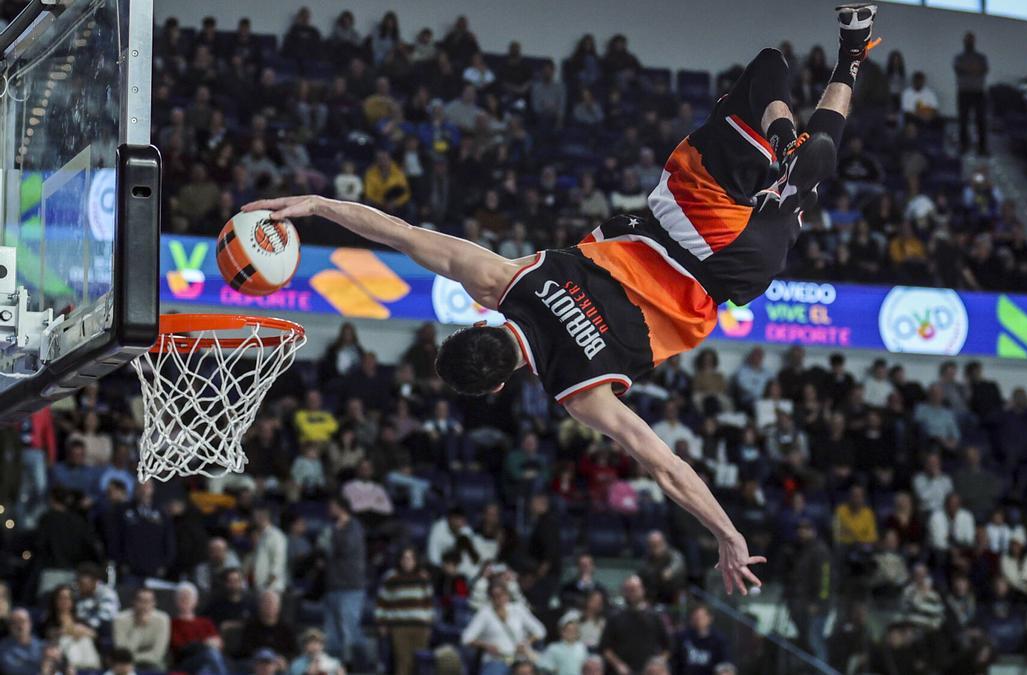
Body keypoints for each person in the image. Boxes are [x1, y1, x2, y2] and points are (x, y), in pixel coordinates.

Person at [245, 7, 883, 595]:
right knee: (768, 67)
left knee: (804, 189)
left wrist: (728, 533)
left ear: (499, 385)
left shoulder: (580, 391)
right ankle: (789, 130)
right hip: (681, 218)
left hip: (730, 270)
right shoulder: (502, 281)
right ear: (475, 325)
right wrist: (317, 205)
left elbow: (665, 467)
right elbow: (404, 235)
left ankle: (836, 86)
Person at [461, 583, 545, 675]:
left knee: (528, 670)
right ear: (490, 598)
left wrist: (526, 643)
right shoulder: (485, 613)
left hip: (520, 659)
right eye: (495, 596)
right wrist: (486, 646)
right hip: (497, 659)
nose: (499, 598)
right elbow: (466, 638)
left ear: (507, 595)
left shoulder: (518, 609)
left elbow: (540, 630)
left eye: (502, 594)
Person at [375, 547, 434, 675]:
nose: (408, 561)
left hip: (420, 626)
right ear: (400, 560)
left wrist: (429, 624)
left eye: (411, 558)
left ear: (416, 560)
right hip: (399, 626)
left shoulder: (423, 577)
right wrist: (381, 623)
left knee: (419, 663)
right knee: (402, 662)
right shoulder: (391, 578)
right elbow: (382, 602)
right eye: (405, 558)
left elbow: (429, 604)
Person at [323, 496, 368, 662]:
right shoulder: (331, 526)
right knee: (332, 635)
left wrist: (336, 532)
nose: (329, 509)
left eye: (332, 505)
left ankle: (362, 668)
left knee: (351, 629)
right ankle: (334, 667)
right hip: (332, 585)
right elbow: (324, 549)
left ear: (341, 507)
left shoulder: (354, 527)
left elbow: (345, 548)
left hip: (351, 586)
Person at [781, 519, 832, 662]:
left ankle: (822, 671)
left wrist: (819, 602)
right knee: (805, 642)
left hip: (815, 606)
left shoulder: (820, 550)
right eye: (799, 529)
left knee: (815, 640)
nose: (801, 532)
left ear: (813, 531)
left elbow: (825, 580)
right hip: (799, 603)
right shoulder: (797, 549)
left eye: (806, 529)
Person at [600, 576, 671, 675]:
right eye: (628, 590)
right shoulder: (615, 617)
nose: (631, 593)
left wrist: (658, 664)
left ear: (642, 590)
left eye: (634, 589)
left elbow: (668, 647)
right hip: (620, 672)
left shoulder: (655, 616)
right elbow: (605, 647)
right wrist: (618, 665)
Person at [113, 588, 170, 670]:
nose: (144, 605)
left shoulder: (162, 620)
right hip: (125, 664)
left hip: (153, 663)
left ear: (154, 603)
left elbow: (157, 655)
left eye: (148, 601)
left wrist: (132, 657)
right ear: (133, 602)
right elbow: (122, 654)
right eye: (141, 601)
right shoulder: (120, 620)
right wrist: (139, 627)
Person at [952, 32, 988, 155]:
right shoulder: (959, 57)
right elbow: (958, 69)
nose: (969, 42)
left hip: (978, 92)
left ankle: (982, 147)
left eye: (971, 40)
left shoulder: (981, 57)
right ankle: (964, 145)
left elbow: (984, 69)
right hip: (964, 92)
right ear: (964, 42)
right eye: (967, 40)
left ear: (974, 41)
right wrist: (974, 68)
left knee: (981, 120)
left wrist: (968, 68)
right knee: (963, 120)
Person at [237, 591, 296, 661]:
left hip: (279, 664)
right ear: (260, 605)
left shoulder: (286, 628)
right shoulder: (250, 626)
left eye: (272, 604)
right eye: (266, 603)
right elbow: (245, 651)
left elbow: (295, 652)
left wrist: (284, 659)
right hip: (256, 663)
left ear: (279, 607)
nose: (269, 606)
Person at [673, 605, 728, 675]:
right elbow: (674, 659)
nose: (699, 620)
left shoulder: (718, 639)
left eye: (702, 617)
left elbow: (725, 662)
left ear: (710, 618)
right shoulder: (682, 637)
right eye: (696, 617)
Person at [0, 608, 42, 675]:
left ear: (30, 623)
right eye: (14, 622)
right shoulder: (2, 648)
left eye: (22, 621)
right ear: (9, 626)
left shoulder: (43, 647)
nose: (19, 625)